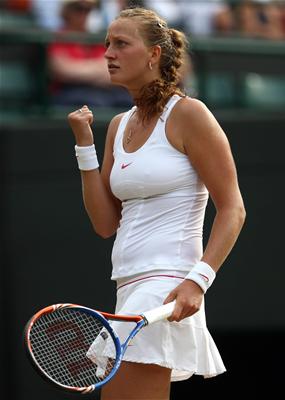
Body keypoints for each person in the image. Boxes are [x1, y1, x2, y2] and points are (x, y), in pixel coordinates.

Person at [67, 7, 246, 400]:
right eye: (107, 44)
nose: (108, 53)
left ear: (154, 55)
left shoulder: (190, 114)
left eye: (121, 44)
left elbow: (233, 207)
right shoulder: (118, 125)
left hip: (166, 283)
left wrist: (198, 281)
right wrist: (85, 146)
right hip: (129, 284)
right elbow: (104, 223)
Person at [47, 0, 132, 107]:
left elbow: (115, 70)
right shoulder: (58, 36)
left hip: (102, 90)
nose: (84, 13)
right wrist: (98, 69)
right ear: (66, 11)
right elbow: (63, 71)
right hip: (69, 91)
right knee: (96, 104)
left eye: (88, 9)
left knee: (128, 102)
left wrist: (80, 68)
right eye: (79, 8)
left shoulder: (95, 37)